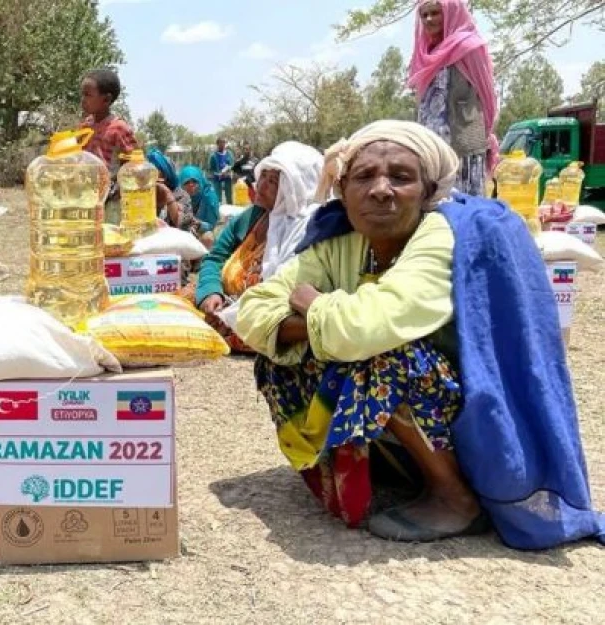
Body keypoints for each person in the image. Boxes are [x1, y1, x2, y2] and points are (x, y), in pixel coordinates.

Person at [235, 120, 605, 548]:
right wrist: (311, 324)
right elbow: (253, 310)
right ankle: (387, 468)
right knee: (283, 354)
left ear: (429, 192)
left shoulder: (442, 236)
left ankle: (455, 496)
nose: (380, 189)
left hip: (475, 422)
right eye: (364, 176)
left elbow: (367, 327)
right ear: (343, 191)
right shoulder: (339, 240)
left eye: (401, 177)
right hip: (418, 423)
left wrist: (315, 305)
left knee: (383, 356)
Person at [192, 142, 323, 353]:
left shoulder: (306, 230)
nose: (260, 186)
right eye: (263, 176)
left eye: (273, 181)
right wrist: (210, 292)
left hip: (256, 320)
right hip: (221, 307)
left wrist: (233, 316)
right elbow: (214, 258)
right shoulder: (251, 217)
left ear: (296, 188)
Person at [408, 0, 498, 196]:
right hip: (431, 147)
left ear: (451, 13)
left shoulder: (469, 46)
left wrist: (485, 135)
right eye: (424, 15)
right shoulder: (425, 53)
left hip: (462, 146)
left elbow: (487, 94)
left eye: (435, 13)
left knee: (463, 210)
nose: (429, 19)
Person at [80, 68, 139, 225]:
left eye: (88, 95)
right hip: (87, 195)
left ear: (106, 100)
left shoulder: (119, 128)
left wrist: (119, 188)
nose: (83, 100)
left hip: (111, 199)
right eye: (82, 94)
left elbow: (135, 163)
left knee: (107, 237)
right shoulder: (85, 126)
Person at [177, 165, 220, 248]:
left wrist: (199, 224)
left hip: (203, 233)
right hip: (184, 233)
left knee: (208, 237)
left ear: (200, 181)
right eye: (187, 182)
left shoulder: (209, 197)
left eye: (194, 181)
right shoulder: (179, 197)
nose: (191, 185)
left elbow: (212, 225)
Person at [148, 147, 191, 229]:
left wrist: (167, 195)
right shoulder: (146, 194)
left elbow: (182, 225)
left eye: (153, 171)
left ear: (165, 174)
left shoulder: (181, 195)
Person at [209, 138, 236, 205]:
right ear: (217, 144)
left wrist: (228, 170)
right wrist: (218, 174)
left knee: (229, 197)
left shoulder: (229, 154)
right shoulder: (213, 156)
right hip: (217, 179)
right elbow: (210, 169)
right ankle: (219, 212)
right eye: (221, 143)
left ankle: (230, 211)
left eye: (224, 143)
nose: (223, 144)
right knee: (218, 198)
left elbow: (232, 165)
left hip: (227, 178)